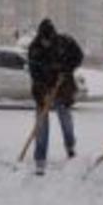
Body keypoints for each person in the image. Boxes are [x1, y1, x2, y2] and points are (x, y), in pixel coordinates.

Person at [27, 19, 84, 176]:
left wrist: (66, 69)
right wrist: (43, 91)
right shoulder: (34, 48)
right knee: (41, 124)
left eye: (48, 40)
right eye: (43, 40)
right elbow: (34, 73)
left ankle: (70, 147)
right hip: (42, 89)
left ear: (53, 36)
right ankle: (40, 158)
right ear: (40, 37)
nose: (46, 43)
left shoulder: (65, 42)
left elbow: (79, 56)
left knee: (65, 119)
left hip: (63, 87)